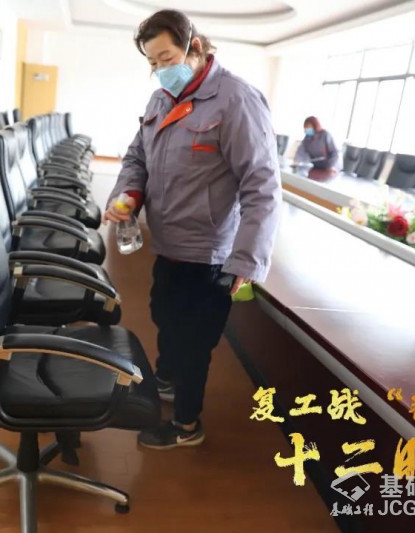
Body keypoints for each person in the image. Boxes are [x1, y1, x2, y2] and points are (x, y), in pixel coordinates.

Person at [103, 9, 281, 450]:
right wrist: (127, 195)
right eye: (153, 62)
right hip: (168, 244)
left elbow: (261, 185)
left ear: (194, 47)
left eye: (166, 58)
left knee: (193, 342)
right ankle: (167, 382)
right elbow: (137, 158)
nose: (161, 70)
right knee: (164, 318)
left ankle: (186, 426)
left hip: (208, 254)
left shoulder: (236, 100)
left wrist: (247, 260)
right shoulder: (160, 100)